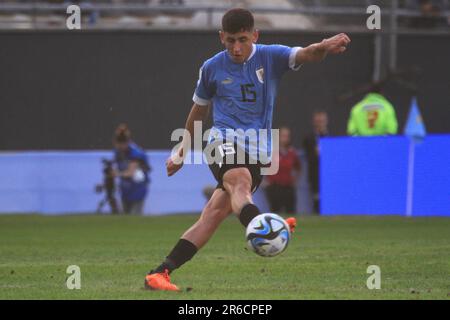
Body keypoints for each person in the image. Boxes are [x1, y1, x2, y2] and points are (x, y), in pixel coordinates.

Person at [144, 8, 350, 291]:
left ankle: (160, 273)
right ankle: (266, 227)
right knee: (240, 182)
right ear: (221, 37)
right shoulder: (212, 68)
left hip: (257, 152)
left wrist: (324, 45)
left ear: (255, 35)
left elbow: (306, 54)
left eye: (242, 39)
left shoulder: (271, 56)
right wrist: (182, 150)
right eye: (230, 41)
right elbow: (199, 113)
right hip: (221, 141)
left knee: (213, 214)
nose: (236, 48)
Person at [113, 124, 151, 215]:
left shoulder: (135, 153)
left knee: (134, 216)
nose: (121, 145)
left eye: (123, 142)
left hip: (138, 189)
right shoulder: (118, 152)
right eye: (119, 142)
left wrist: (116, 174)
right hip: (125, 189)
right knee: (125, 216)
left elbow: (130, 172)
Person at [264, 127, 301, 214]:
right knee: (275, 212)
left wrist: (295, 179)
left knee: (291, 211)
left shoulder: (292, 152)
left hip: (288, 187)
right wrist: (265, 181)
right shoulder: (271, 151)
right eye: (283, 136)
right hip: (274, 187)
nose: (285, 138)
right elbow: (262, 166)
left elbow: (298, 167)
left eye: (287, 136)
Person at [303, 110, 329, 214]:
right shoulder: (309, 138)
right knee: (316, 196)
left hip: (329, 172)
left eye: (322, 121)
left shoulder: (330, 137)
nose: (320, 123)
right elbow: (308, 155)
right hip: (315, 172)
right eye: (318, 121)